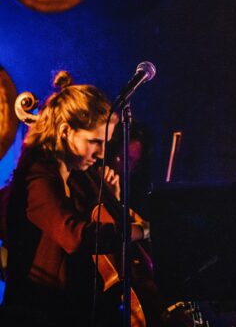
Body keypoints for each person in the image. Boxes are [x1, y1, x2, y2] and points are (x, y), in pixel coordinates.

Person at [0, 71, 150, 327]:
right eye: (94, 142)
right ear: (66, 131)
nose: (101, 153)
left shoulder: (75, 176)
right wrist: (139, 230)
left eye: (104, 143)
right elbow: (76, 236)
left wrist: (111, 201)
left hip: (66, 312)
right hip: (35, 316)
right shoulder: (37, 178)